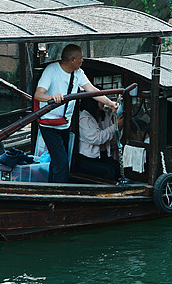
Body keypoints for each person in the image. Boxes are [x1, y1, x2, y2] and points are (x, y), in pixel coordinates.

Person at [34, 44, 118, 183]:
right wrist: (52, 98)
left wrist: (110, 103)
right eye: (81, 58)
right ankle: (61, 194)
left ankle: (51, 189)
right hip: (48, 123)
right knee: (61, 162)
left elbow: (92, 90)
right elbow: (38, 94)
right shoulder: (52, 70)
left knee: (59, 160)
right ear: (72, 60)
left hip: (65, 124)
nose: (82, 61)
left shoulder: (78, 73)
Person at [76, 97, 122, 180]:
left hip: (102, 156)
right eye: (101, 100)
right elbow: (96, 139)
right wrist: (115, 127)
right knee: (108, 171)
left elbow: (111, 139)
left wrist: (118, 129)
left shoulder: (103, 115)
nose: (104, 102)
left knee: (119, 167)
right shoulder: (84, 119)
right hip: (87, 158)